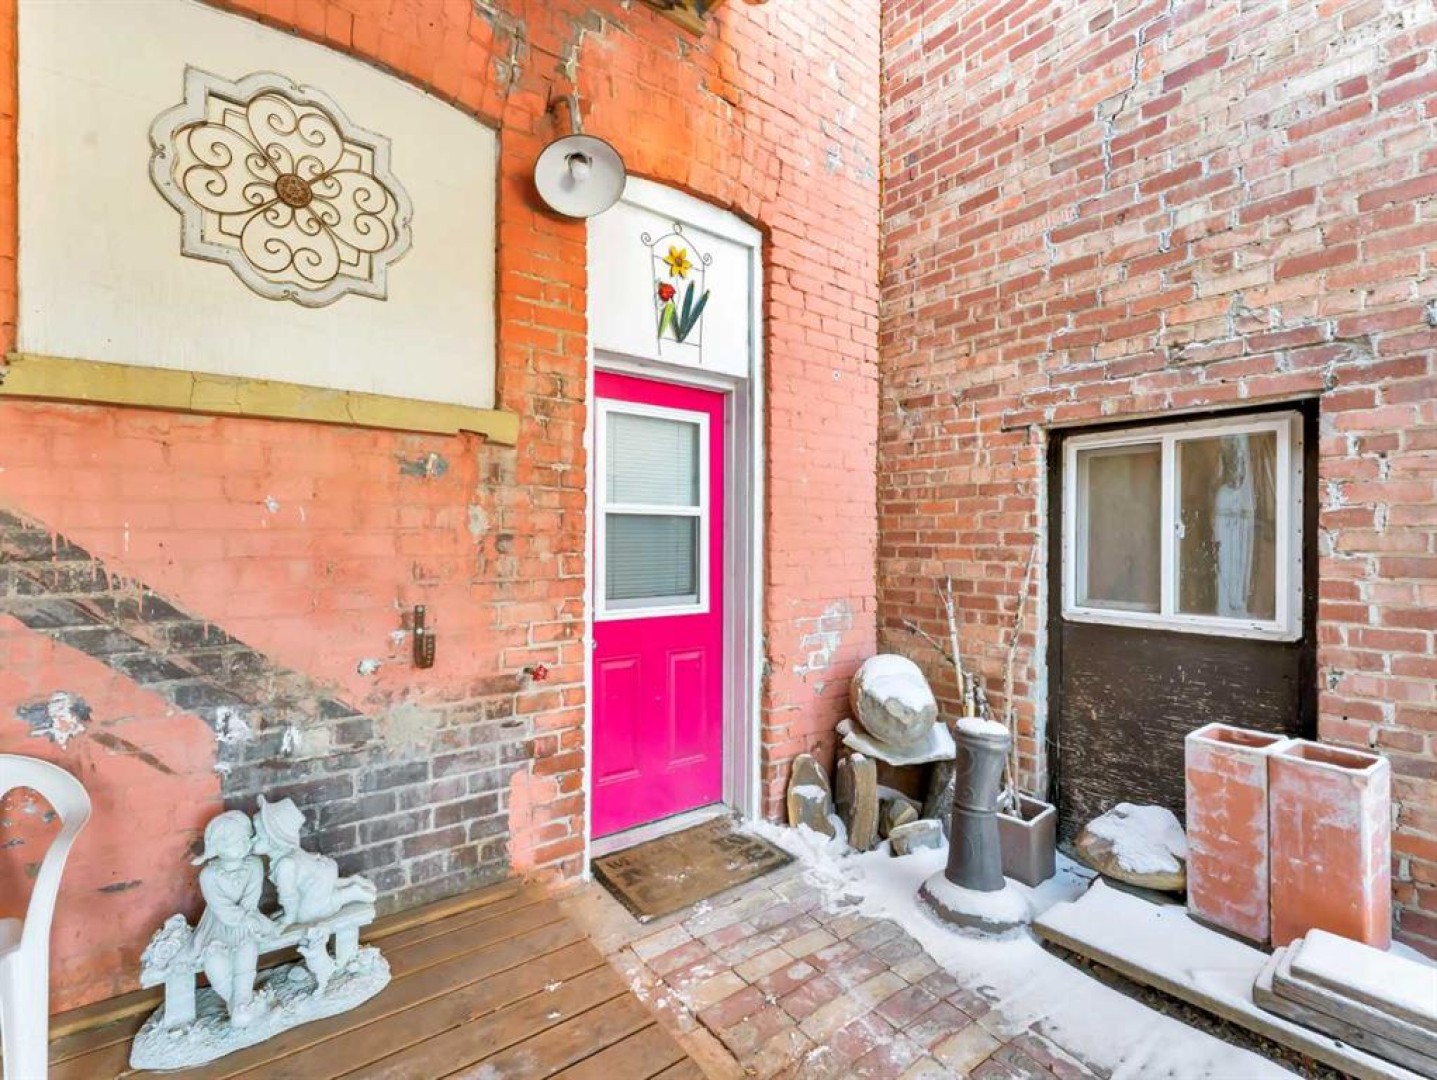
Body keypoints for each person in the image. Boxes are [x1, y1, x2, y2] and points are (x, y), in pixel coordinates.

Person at [190, 811, 272, 1026]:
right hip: (218, 923)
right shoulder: (209, 875)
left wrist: (247, 920)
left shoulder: (255, 865)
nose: (244, 845)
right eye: (237, 842)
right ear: (218, 847)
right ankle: (241, 1006)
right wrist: (242, 919)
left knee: (248, 947)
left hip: (248, 918)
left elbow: (251, 899)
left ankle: (241, 1004)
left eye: (246, 839)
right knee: (213, 958)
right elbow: (221, 907)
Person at [251, 795, 376, 928]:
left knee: (305, 916)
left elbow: (289, 897)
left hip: (319, 878)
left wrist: (289, 918)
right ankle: (351, 881)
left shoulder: (284, 866)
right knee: (311, 900)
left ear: (274, 841)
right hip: (321, 872)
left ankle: (351, 892)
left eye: (258, 835)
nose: (252, 839)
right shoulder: (288, 855)